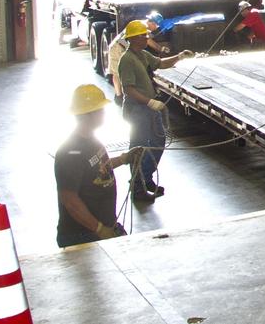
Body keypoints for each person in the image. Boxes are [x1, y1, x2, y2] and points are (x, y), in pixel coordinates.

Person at [118, 19, 193, 202]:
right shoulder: (126, 60)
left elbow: (161, 63)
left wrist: (179, 56)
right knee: (139, 147)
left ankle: (146, 177)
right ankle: (137, 187)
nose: (146, 38)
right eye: (143, 36)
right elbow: (128, 88)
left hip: (149, 107)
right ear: (133, 38)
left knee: (159, 141)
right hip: (137, 109)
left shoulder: (142, 55)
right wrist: (149, 102)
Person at [55, 84, 137, 247]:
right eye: (100, 110)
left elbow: (98, 170)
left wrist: (123, 158)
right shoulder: (70, 152)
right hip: (82, 235)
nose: (104, 114)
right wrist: (99, 229)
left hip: (103, 226)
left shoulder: (91, 139)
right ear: (87, 115)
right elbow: (69, 199)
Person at [106, 14, 170, 103]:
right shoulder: (139, 26)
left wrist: (160, 49)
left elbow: (146, 40)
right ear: (151, 22)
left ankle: (123, 95)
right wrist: (160, 48)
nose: (156, 28)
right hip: (117, 48)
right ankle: (118, 96)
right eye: (156, 25)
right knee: (116, 73)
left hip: (124, 48)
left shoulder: (143, 26)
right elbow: (123, 40)